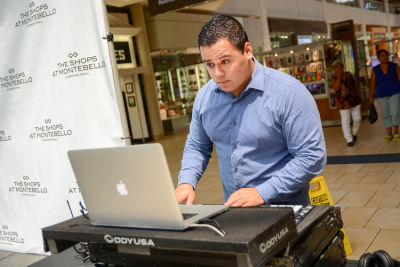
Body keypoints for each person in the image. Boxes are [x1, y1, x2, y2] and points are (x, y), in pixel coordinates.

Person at [175, 15, 326, 206]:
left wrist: (263, 192)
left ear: (247, 50)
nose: (218, 74)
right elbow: (197, 146)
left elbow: (311, 156)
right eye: (210, 65)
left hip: (286, 210)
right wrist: (186, 182)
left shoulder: (288, 93)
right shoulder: (205, 98)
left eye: (225, 61)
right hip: (234, 210)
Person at [369, 49, 400, 142]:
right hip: (382, 95)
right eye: (382, 56)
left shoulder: (395, 66)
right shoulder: (375, 70)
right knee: (386, 114)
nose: (384, 57)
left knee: (394, 112)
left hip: (394, 92)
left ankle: (396, 132)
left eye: (386, 55)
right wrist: (371, 96)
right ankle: (389, 134)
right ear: (378, 58)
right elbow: (373, 84)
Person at [331, 60, 361, 147]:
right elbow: (336, 88)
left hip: (354, 100)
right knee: (345, 121)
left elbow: (355, 86)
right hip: (343, 103)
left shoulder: (349, 74)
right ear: (334, 69)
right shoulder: (334, 78)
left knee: (357, 118)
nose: (340, 69)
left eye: (341, 67)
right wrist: (339, 77)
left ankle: (354, 133)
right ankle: (349, 139)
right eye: (337, 68)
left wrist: (359, 96)